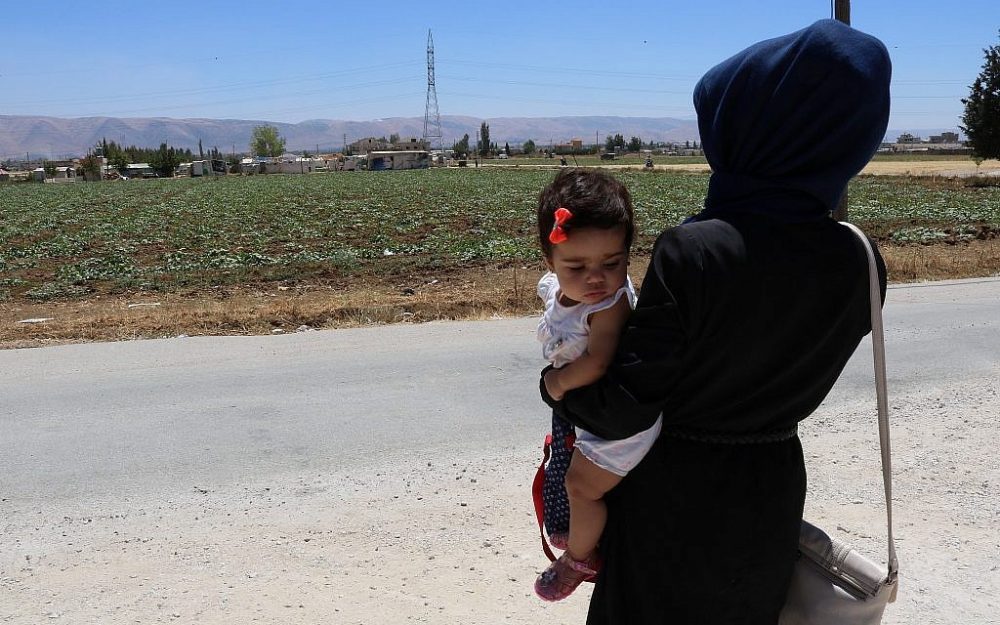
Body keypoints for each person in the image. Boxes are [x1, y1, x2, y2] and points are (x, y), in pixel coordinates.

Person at [538, 19, 891, 623]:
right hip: (770, 485)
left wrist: (553, 389)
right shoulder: (862, 260)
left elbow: (627, 404)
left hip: (674, 494)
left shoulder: (698, 250)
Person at [532, 168, 663, 602]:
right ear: (550, 260)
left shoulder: (608, 306)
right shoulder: (561, 287)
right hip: (588, 410)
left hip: (621, 421)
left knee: (581, 487)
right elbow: (553, 295)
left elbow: (597, 361)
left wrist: (555, 383)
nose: (595, 278)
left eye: (613, 263)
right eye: (576, 266)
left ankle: (580, 558)